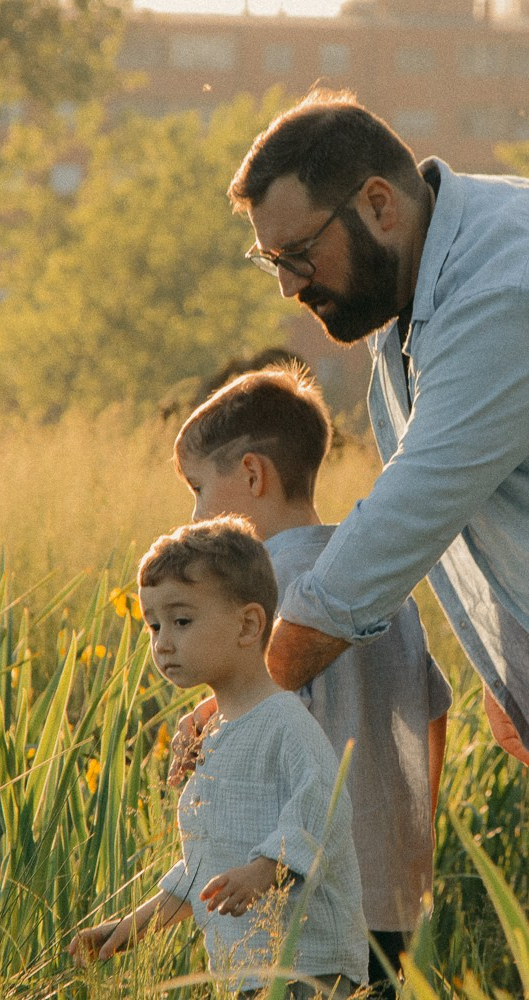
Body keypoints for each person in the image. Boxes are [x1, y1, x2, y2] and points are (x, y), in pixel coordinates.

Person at [226, 88, 529, 764]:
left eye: (297, 252)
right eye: (272, 261)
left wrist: (244, 698)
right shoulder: (415, 271)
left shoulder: (499, 294)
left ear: (379, 205)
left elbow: (402, 521)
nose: (288, 286)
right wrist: (508, 655)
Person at [171, 364, 451, 991]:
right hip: (393, 897)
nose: (193, 515)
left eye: (198, 488)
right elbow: (433, 711)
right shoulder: (379, 586)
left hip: (303, 901)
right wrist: (415, 842)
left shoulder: (256, 601)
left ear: (252, 474)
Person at [69, 517, 369, 997]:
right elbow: (205, 865)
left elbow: (325, 809)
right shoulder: (215, 733)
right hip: (244, 971)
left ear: (248, 625)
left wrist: (265, 870)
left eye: (182, 621)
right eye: (154, 626)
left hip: (308, 969)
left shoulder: (284, 722)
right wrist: (131, 928)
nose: (163, 642)